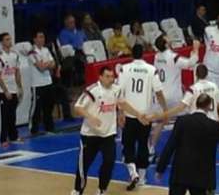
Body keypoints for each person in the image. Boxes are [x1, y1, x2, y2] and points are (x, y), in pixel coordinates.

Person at [71, 66, 149, 195]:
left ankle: (102, 189)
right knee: (83, 166)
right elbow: (77, 108)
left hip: (108, 134)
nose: (110, 79)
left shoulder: (116, 90)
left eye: (112, 76)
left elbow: (122, 104)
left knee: (109, 161)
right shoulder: (92, 91)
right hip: (90, 135)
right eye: (107, 76)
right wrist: (90, 117)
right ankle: (78, 190)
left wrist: (137, 114)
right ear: (100, 77)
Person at [117, 44, 168, 190]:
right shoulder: (151, 70)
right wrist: (165, 111)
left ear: (132, 54)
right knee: (143, 145)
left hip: (129, 114)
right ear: (144, 54)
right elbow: (158, 92)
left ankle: (133, 173)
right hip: (145, 115)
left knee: (128, 145)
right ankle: (142, 177)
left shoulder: (124, 69)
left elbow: (119, 93)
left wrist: (120, 112)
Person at [149, 35, 200, 161]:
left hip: (160, 95)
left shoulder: (157, 57)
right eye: (167, 39)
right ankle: (189, 148)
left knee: (159, 123)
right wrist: (196, 49)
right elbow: (191, 63)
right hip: (174, 95)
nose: (170, 39)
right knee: (186, 119)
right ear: (166, 44)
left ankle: (150, 150)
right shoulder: (174, 57)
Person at [151, 64, 219, 126]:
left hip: (199, 125)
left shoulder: (193, 90)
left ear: (196, 74)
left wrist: (162, 115)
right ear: (207, 74)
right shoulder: (214, 86)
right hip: (213, 124)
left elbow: (180, 108)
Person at [0, 32, 24, 148]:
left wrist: (19, 87)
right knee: (4, 115)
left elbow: (17, 72)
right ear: (2, 42)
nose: (9, 42)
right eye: (7, 40)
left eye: (10, 39)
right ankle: (2, 139)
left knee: (12, 114)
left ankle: (13, 136)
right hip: (2, 91)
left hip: (13, 89)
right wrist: (5, 90)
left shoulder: (14, 55)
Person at [28, 30, 56, 134]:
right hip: (37, 84)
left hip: (48, 82)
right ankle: (33, 129)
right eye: (40, 37)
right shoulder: (32, 52)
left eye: (43, 37)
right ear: (35, 39)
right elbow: (41, 67)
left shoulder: (46, 50)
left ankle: (49, 127)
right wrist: (48, 63)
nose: (42, 39)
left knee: (48, 107)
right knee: (36, 108)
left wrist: (46, 64)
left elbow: (54, 64)